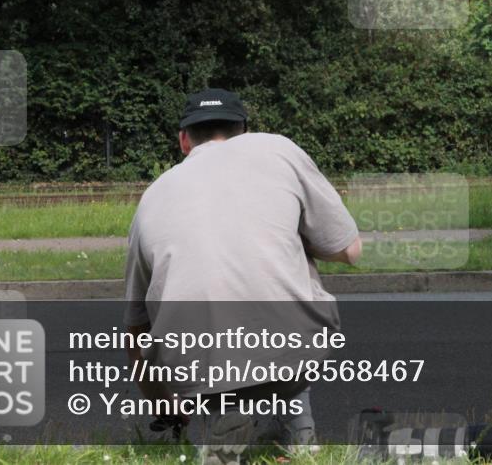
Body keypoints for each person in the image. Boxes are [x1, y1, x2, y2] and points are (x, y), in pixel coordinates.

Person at [123, 87, 362, 463]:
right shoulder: (278, 149)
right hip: (293, 352)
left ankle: (228, 412)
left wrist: (166, 408)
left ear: (184, 141)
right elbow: (350, 251)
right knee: (285, 266)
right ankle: (296, 433)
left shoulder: (153, 195)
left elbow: (136, 329)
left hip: (197, 366)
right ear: (245, 130)